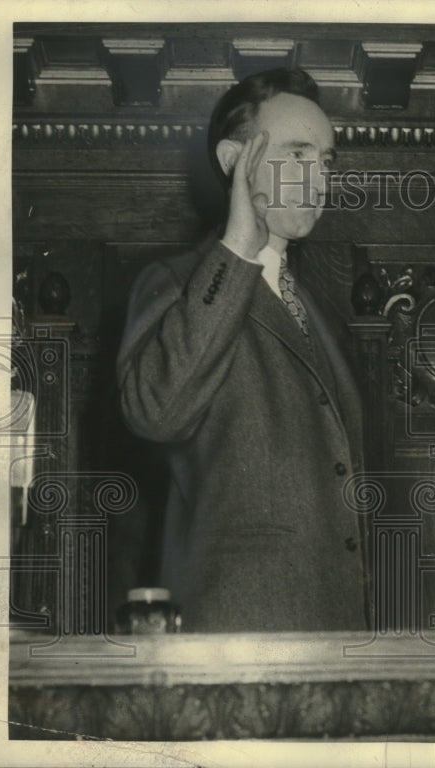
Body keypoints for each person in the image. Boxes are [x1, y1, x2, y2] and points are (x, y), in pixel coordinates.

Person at [117, 68, 368, 632]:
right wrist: (238, 246)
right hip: (236, 633)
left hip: (338, 635)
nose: (319, 179)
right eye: (298, 155)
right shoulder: (176, 282)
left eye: (325, 161)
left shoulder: (324, 312)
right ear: (235, 161)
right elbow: (156, 411)